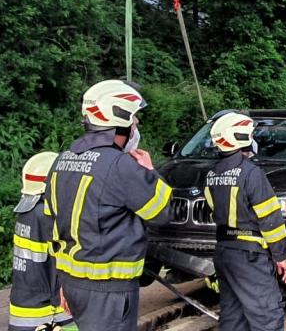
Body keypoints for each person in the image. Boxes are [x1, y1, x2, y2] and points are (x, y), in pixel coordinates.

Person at [45, 80, 173, 331]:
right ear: (120, 117)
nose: (137, 123)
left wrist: (60, 282)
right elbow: (162, 213)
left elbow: (51, 223)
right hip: (108, 291)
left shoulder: (62, 161)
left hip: (72, 284)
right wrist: (150, 172)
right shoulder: (120, 165)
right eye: (134, 117)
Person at [205, 112, 286, 331]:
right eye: (250, 135)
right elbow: (270, 218)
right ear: (240, 137)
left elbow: (213, 211)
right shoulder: (251, 173)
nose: (253, 139)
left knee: (233, 317)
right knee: (266, 317)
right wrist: (280, 255)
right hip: (250, 256)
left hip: (224, 252)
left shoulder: (212, 174)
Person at [9, 151, 76, 331]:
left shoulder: (26, 212)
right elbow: (62, 261)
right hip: (50, 311)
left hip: (23, 308)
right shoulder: (46, 215)